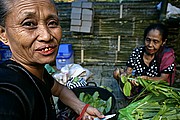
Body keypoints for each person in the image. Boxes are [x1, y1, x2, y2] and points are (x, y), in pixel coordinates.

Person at [0, 0, 105, 120]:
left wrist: (82, 108)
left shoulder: (37, 73)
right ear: (3, 34)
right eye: (29, 24)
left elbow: (59, 89)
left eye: (52, 23)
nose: (46, 36)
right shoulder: (9, 92)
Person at [114, 23, 176, 89]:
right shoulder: (137, 51)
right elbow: (129, 70)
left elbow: (163, 79)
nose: (150, 45)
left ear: (163, 42)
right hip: (137, 86)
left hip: (155, 89)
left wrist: (146, 78)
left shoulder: (167, 56)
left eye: (155, 41)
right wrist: (127, 76)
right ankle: (130, 97)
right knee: (117, 73)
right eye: (148, 40)